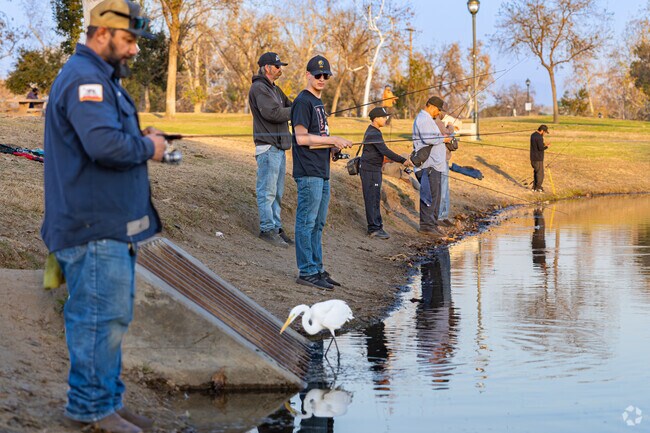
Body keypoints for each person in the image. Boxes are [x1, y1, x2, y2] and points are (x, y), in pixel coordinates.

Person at [40, 1, 167, 431]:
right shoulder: (84, 79)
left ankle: (108, 401)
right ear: (101, 34)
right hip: (91, 227)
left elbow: (109, 136)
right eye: (128, 40)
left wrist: (142, 136)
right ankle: (90, 410)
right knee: (97, 319)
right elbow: (104, 146)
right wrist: (150, 148)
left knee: (112, 318)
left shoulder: (101, 79)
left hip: (108, 227)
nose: (134, 50)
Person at [291, 55, 352, 290]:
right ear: (308, 75)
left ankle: (317, 268)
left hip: (322, 170)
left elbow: (317, 139)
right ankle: (306, 271)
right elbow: (301, 138)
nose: (322, 78)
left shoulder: (318, 103)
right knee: (306, 221)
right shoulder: (303, 101)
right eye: (317, 75)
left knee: (318, 223)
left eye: (326, 75)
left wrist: (332, 146)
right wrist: (332, 138)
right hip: (308, 172)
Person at [248, 51, 293, 248]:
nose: (280, 69)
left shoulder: (275, 89)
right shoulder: (259, 88)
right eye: (277, 66)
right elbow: (273, 113)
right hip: (267, 148)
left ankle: (276, 226)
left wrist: (309, 107)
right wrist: (298, 111)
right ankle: (267, 229)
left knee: (277, 192)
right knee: (267, 191)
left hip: (279, 147)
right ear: (267, 68)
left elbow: (292, 106)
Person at [360, 106, 413, 239]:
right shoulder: (373, 133)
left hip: (374, 169)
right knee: (372, 198)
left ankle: (378, 226)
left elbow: (382, 152)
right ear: (376, 118)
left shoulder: (374, 131)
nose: (386, 119)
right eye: (384, 117)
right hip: (370, 170)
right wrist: (403, 161)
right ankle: (373, 229)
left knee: (375, 197)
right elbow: (385, 151)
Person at [412, 96, 453, 236]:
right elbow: (428, 139)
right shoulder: (423, 119)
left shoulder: (429, 120)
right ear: (431, 106)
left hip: (435, 165)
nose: (439, 112)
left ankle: (433, 224)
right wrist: (444, 138)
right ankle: (426, 226)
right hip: (428, 165)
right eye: (438, 109)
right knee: (428, 197)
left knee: (435, 196)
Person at [530, 124, 551, 192]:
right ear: (542, 130)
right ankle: (538, 187)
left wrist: (543, 144)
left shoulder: (533, 135)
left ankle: (534, 187)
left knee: (536, 172)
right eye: (544, 132)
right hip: (538, 158)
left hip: (532, 157)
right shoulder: (539, 137)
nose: (544, 134)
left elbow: (536, 145)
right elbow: (540, 148)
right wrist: (547, 146)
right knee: (540, 173)